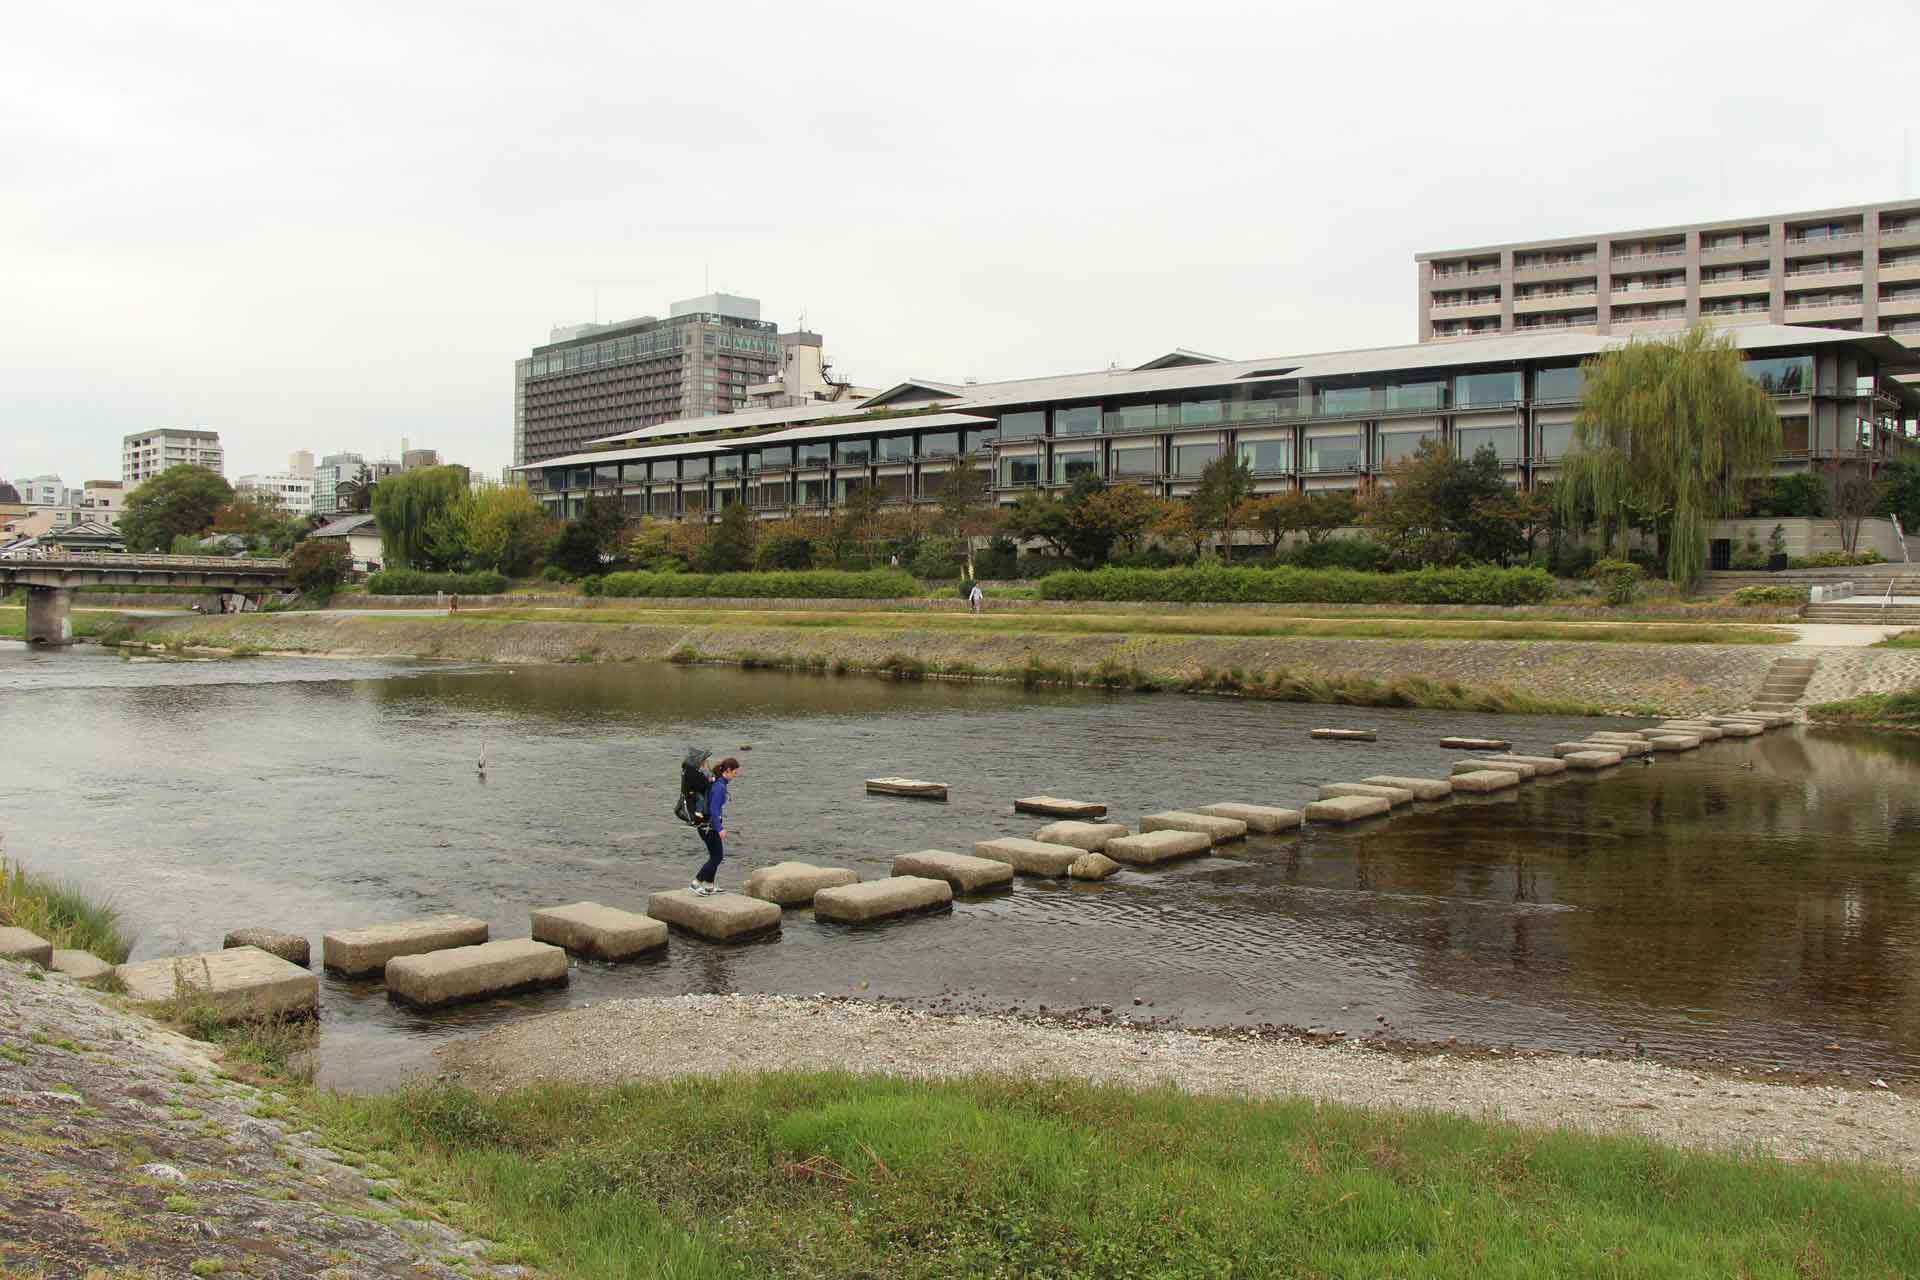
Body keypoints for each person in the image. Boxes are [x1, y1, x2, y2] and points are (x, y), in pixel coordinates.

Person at [689, 755, 741, 896]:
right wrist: (720, 829)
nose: (736, 776)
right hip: (709, 827)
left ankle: (710, 885)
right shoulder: (719, 787)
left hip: (705, 826)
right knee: (717, 857)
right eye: (735, 773)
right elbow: (714, 809)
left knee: (714, 855)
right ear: (728, 770)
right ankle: (696, 882)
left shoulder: (718, 782)